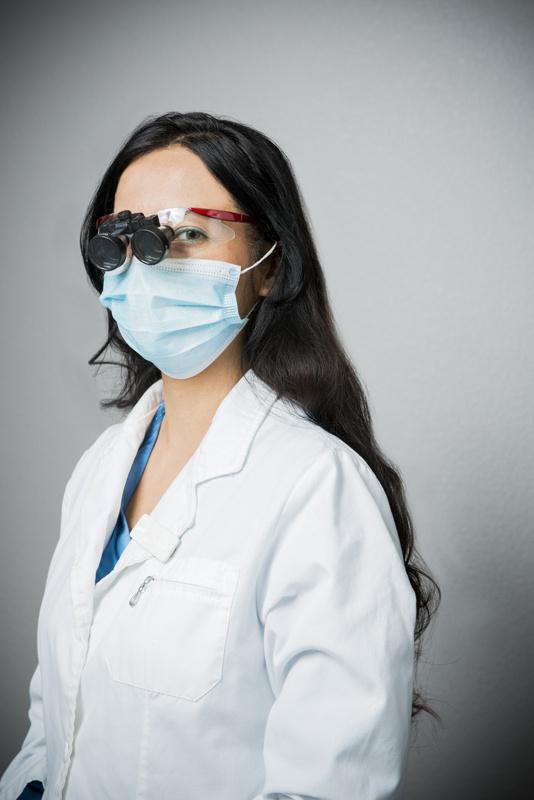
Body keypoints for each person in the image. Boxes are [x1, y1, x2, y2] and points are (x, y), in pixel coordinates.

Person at [0, 112, 439, 800]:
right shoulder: (98, 470)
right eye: (126, 239)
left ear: (271, 265)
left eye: (187, 234)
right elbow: (55, 717)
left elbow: (326, 785)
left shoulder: (317, 488)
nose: (150, 265)